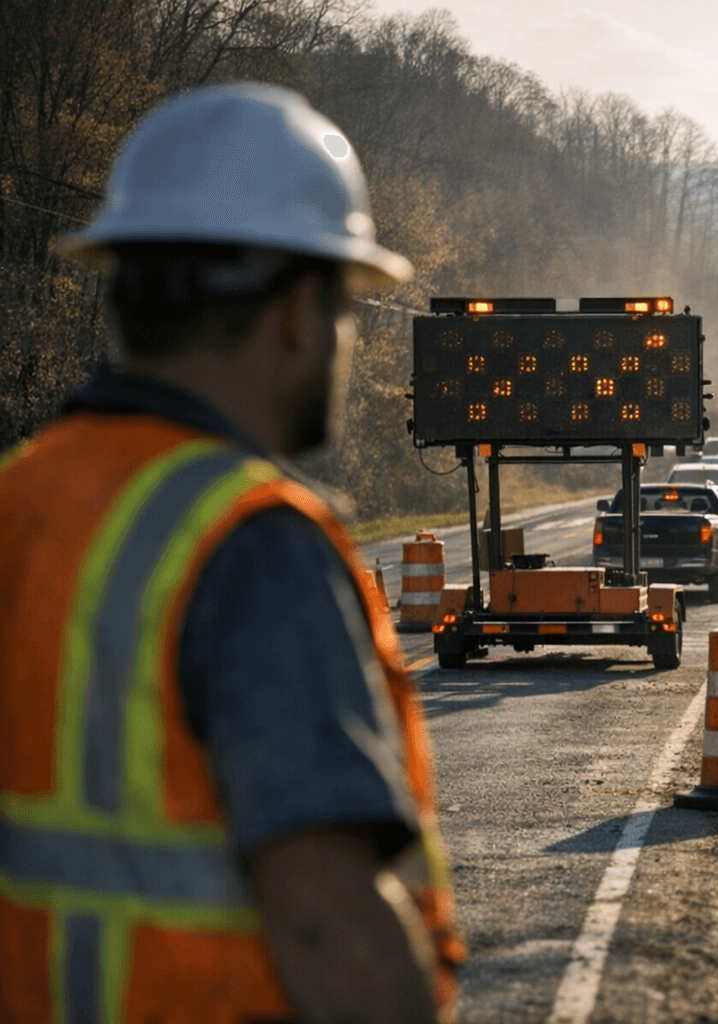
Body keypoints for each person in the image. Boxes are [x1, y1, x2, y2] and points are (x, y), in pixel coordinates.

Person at [0, 84, 462, 1023]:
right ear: (297, 312)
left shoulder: (20, 497)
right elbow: (327, 927)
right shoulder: (251, 542)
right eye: (345, 308)